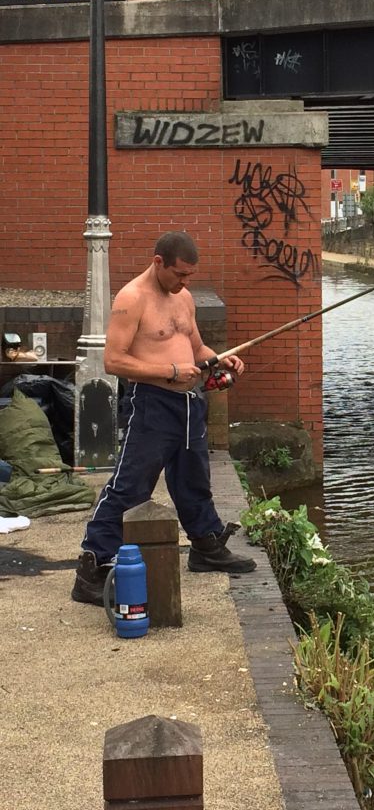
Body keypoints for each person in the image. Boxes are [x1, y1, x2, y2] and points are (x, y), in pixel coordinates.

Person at [71, 231, 256, 606]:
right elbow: (114, 361)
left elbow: (196, 347)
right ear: (159, 263)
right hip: (151, 404)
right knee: (130, 487)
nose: (185, 282)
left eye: (190, 275)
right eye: (180, 274)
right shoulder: (131, 298)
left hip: (190, 402)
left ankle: (206, 546)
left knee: (194, 479)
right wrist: (169, 371)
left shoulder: (183, 297)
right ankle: (91, 568)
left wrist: (219, 359)